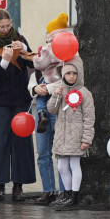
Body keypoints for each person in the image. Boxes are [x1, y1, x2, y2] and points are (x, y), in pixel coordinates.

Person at [0, 8, 36, 201]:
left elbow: (33, 64)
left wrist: (25, 50)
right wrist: (4, 61)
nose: (5, 29)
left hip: (20, 99)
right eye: (1, 26)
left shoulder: (19, 38)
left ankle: (19, 186)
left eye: (8, 25)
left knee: (22, 144)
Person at [29, 13, 74, 205]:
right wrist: (34, 88)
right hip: (42, 100)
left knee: (61, 151)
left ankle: (64, 191)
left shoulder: (69, 55)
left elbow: (68, 81)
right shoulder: (45, 53)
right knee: (43, 150)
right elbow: (34, 77)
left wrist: (45, 89)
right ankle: (49, 190)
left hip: (59, 104)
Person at [47, 60, 95, 210]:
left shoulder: (85, 93)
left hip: (76, 136)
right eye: (68, 73)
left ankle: (74, 196)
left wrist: (86, 139)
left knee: (74, 165)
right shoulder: (61, 90)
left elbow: (89, 118)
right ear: (63, 75)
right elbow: (52, 110)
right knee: (62, 167)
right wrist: (55, 96)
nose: (72, 76)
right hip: (62, 136)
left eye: (74, 73)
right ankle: (66, 194)